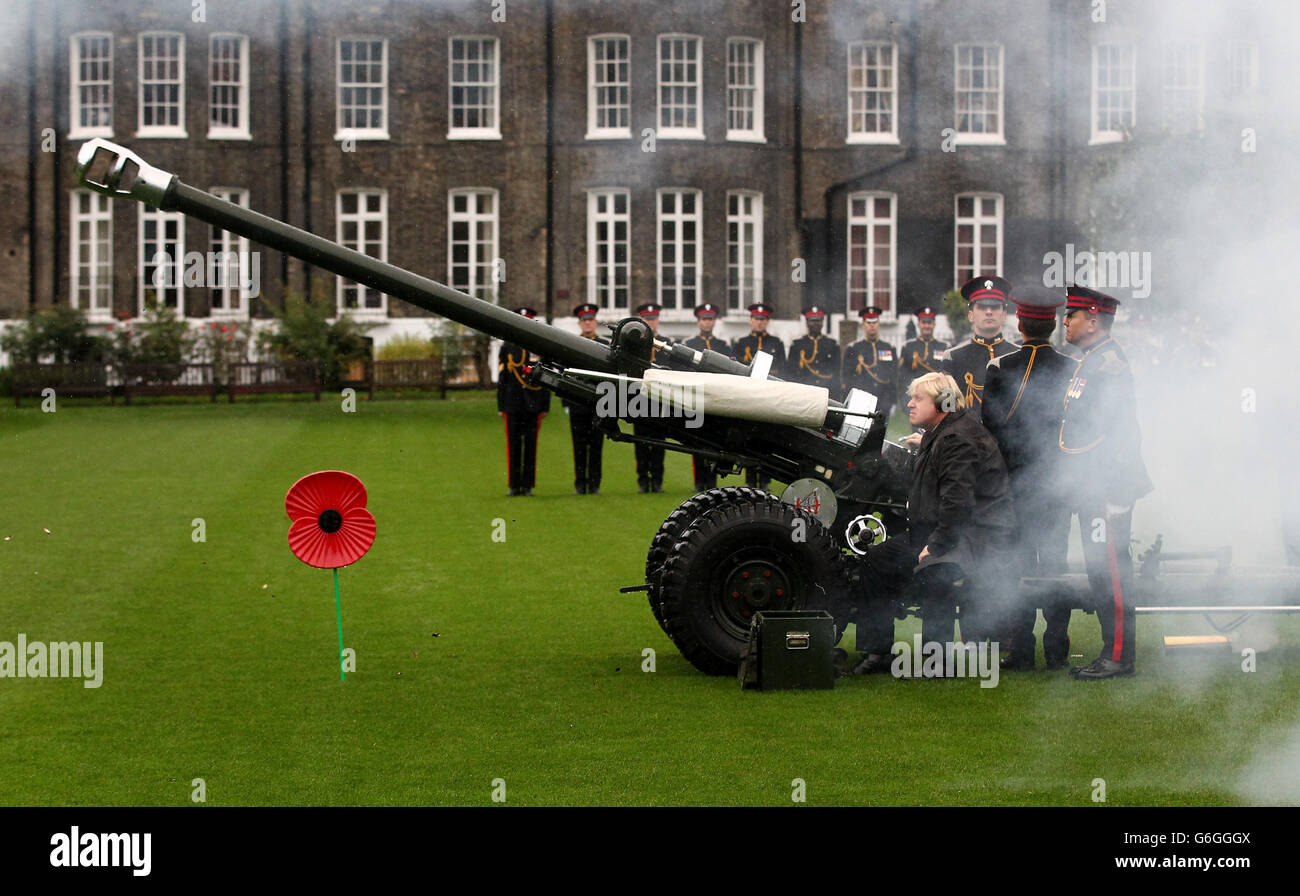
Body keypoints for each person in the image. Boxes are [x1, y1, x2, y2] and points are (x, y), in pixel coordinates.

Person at [852, 372, 1017, 674]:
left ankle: (935, 658)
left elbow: (958, 504)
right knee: (876, 560)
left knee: (934, 570)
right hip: (952, 530)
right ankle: (878, 651)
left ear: (942, 403)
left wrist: (935, 545)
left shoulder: (957, 440)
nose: (910, 404)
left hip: (973, 537)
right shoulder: (944, 432)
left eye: (918, 398)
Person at [1060, 285, 1152, 680]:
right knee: (1100, 572)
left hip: (1106, 487)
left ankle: (1118, 657)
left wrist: (1113, 492)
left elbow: (1122, 433)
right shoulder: (1092, 359)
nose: (1065, 321)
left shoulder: (1108, 363)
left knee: (1111, 573)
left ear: (1093, 321)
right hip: (1092, 484)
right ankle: (1111, 652)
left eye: (1072, 315)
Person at [981, 290, 1075, 669]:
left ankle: (1021, 648)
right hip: (1056, 482)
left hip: (1014, 482)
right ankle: (1056, 650)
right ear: (1053, 325)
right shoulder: (1072, 367)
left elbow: (991, 424)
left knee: (1016, 567)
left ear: (1019, 324)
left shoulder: (999, 367)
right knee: (1055, 565)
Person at [941, 276, 1018, 420]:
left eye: (995, 307)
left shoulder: (1018, 354)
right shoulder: (953, 357)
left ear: (1004, 315)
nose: (989, 311)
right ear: (971, 315)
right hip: (968, 438)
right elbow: (946, 409)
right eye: (982, 307)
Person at [497, 307, 551, 496]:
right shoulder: (507, 346)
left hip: (533, 403)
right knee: (513, 445)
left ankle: (527, 485)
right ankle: (514, 485)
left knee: (530, 445)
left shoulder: (539, 347)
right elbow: (502, 377)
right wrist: (500, 404)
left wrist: (545, 405)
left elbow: (547, 378)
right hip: (512, 403)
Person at [732, 302, 786, 490]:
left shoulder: (776, 343)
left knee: (767, 439)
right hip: (748, 396)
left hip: (769, 396)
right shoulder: (742, 343)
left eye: (763, 320)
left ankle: (764, 480)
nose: (760, 323)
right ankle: (750, 480)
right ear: (751, 320)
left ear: (767, 321)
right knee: (748, 439)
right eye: (756, 319)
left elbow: (783, 372)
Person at [684, 303, 728, 491]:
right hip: (696, 399)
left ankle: (712, 481)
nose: (707, 323)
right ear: (698, 322)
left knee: (714, 443)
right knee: (697, 443)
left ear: (714, 322)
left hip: (716, 400)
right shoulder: (690, 345)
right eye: (704, 319)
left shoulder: (723, 346)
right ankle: (699, 481)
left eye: (710, 319)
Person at [565, 303, 604, 494]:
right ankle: (580, 482)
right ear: (579, 323)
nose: (588, 324)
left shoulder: (605, 344)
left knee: (596, 445)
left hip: (599, 403)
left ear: (595, 322)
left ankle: (595, 483)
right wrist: (567, 401)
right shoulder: (571, 343)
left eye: (590, 320)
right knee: (578, 445)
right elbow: (566, 373)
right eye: (584, 321)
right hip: (578, 402)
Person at [633, 302, 667, 493]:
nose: (650, 323)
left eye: (653, 319)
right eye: (647, 319)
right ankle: (643, 480)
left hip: (659, 401)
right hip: (639, 401)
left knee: (659, 443)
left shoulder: (666, 344)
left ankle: (657, 480)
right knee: (641, 443)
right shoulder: (635, 344)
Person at [842, 305, 897, 420]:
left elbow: (893, 377)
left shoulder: (888, 348)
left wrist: (892, 402)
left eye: (874, 322)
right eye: (868, 322)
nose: (872, 325)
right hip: (862, 401)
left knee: (880, 436)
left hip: (883, 401)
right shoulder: (853, 348)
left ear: (879, 324)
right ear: (863, 324)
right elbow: (847, 378)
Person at [897, 306, 949, 406]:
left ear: (934, 324)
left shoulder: (944, 347)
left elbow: (948, 377)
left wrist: (945, 404)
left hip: (937, 397)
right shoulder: (908, 347)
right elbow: (903, 377)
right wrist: (906, 402)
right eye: (923, 323)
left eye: (929, 323)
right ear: (918, 324)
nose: (926, 326)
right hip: (916, 398)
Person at [788, 305, 841, 391]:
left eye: (818, 321)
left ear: (823, 322)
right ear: (807, 323)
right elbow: (791, 374)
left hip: (826, 390)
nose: (815, 324)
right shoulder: (797, 345)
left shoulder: (832, 345)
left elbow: (836, 374)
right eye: (812, 321)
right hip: (804, 391)